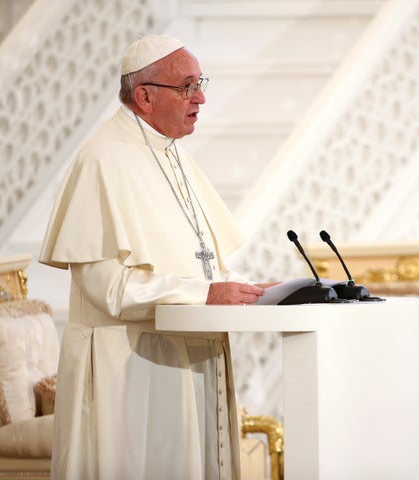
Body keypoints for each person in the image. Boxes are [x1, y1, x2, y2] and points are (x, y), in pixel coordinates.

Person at [39, 34, 271, 479]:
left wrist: (246, 289)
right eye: (186, 86)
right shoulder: (101, 161)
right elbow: (110, 289)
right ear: (144, 96)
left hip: (182, 359)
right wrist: (207, 294)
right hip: (127, 369)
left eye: (199, 84)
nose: (200, 98)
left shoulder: (171, 154)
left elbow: (198, 261)